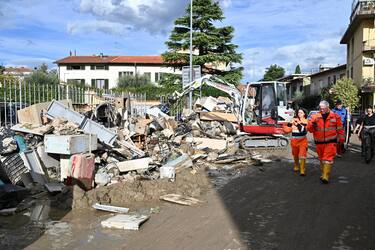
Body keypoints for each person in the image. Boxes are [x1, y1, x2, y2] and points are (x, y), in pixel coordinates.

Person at [307, 100, 345, 184]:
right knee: (321, 159)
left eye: (323, 108)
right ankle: (323, 173)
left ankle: (325, 176)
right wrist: (311, 126)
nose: (322, 110)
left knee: (327, 159)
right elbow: (309, 129)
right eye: (320, 108)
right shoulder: (315, 117)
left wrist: (341, 139)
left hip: (331, 142)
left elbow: (340, 129)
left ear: (328, 107)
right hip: (319, 142)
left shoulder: (335, 116)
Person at [283, 109, 308, 176]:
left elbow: (304, 131)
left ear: (304, 114)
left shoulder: (306, 121)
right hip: (294, 141)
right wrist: (289, 124)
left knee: (302, 155)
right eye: (298, 112)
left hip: (303, 141)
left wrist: (298, 124)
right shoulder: (293, 120)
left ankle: (302, 170)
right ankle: (296, 166)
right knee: (295, 155)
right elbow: (286, 131)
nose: (299, 113)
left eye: (301, 112)